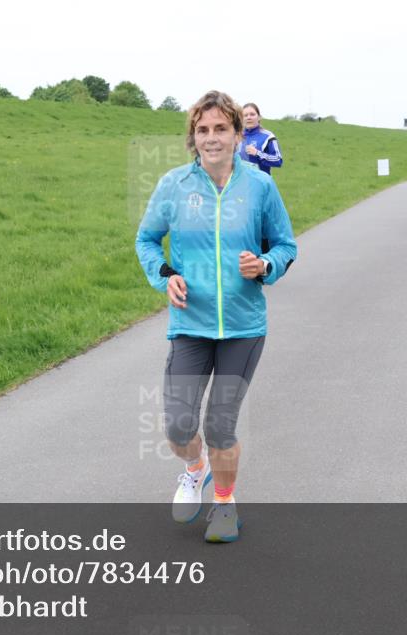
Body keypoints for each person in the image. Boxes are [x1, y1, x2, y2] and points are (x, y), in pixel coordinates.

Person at [135, 90, 297, 543]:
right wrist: (165, 275)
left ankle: (224, 504)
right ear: (193, 136)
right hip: (190, 323)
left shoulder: (260, 187)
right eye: (202, 130)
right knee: (177, 424)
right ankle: (195, 469)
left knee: (220, 424)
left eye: (220, 129)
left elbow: (285, 245)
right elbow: (146, 240)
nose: (211, 138)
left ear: (237, 134)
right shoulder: (174, 185)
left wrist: (265, 266)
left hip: (243, 327)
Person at [239, 103, 283, 175]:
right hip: (239, 183)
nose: (248, 117)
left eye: (252, 114)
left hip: (260, 183)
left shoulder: (268, 136)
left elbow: (278, 160)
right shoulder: (236, 136)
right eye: (245, 115)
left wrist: (257, 153)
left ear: (259, 117)